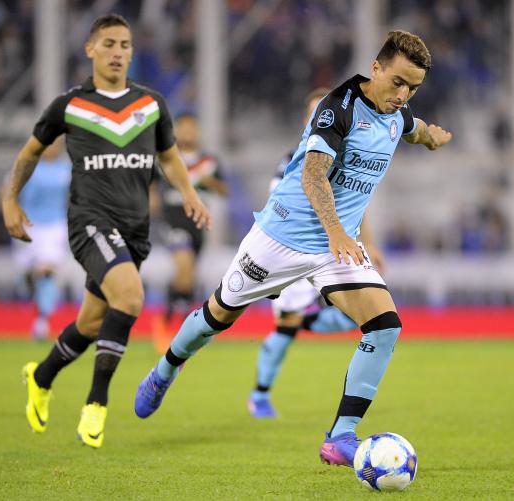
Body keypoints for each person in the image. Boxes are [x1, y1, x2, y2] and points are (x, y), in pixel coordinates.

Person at [134, 30, 451, 467]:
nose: (403, 95)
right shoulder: (338, 108)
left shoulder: (398, 112)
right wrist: (337, 230)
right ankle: (165, 369)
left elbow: (412, 129)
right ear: (375, 68)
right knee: (217, 315)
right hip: (281, 238)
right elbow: (313, 176)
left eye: (413, 88)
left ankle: (340, 436)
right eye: (398, 82)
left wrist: (431, 137)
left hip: (334, 249)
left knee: (384, 326)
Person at [1, 14, 210, 449]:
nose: (118, 52)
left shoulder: (151, 105)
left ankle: (41, 376)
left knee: (92, 322)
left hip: (135, 231)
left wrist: (189, 193)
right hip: (90, 222)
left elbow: (170, 157)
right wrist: (10, 199)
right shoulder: (70, 105)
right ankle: (96, 403)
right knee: (130, 297)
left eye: (125, 45)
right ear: (90, 50)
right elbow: (30, 152)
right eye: (109, 43)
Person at [247, 89, 385, 419]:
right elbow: (287, 203)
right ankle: (260, 396)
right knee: (288, 324)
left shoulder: (347, 154)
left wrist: (368, 243)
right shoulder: (293, 159)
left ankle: (306, 319)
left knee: (361, 314)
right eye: (314, 111)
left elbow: (355, 207)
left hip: (332, 249)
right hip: (296, 246)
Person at [152, 112, 227, 351]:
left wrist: (209, 182)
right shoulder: (167, 158)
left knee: (189, 276)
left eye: (192, 128)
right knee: (183, 267)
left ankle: (174, 321)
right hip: (173, 220)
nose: (188, 133)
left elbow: (224, 190)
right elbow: (152, 185)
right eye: (183, 128)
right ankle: (172, 324)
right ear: (176, 131)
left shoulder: (209, 162)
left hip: (197, 223)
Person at [4, 137, 70, 341]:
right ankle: (32, 292)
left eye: (58, 143)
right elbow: (6, 191)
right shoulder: (28, 165)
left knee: (47, 271)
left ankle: (42, 321)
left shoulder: (67, 169)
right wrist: (9, 214)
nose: (54, 147)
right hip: (28, 224)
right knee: (27, 275)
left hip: (55, 226)